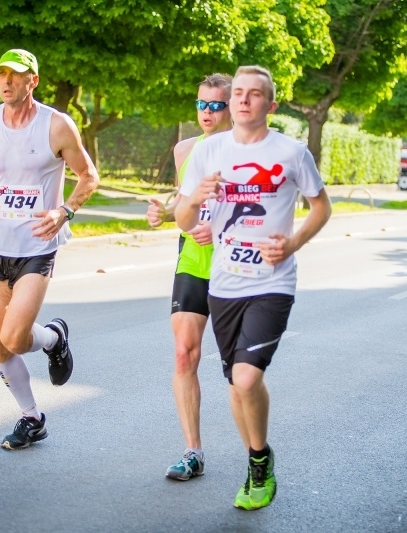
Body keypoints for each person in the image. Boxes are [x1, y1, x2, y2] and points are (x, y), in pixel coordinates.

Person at [175, 65, 331, 510]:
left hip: (272, 282)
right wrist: (194, 200)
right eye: (238, 92)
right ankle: (255, 461)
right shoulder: (208, 152)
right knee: (235, 383)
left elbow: (321, 207)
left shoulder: (292, 152)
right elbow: (183, 219)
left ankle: (260, 460)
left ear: (271, 104)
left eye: (254, 94)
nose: (243, 99)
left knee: (246, 377)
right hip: (223, 284)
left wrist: (293, 243)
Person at [0, 49, 99, 449]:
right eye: (2, 74)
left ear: (33, 81)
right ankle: (32, 417)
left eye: (16, 75)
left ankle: (52, 339)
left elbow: (88, 176)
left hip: (37, 245)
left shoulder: (57, 125)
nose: (7, 81)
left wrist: (65, 210)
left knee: (15, 338)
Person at [146, 74, 233, 481]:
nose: (207, 112)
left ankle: (256, 453)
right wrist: (163, 213)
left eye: (216, 105)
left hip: (235, 267)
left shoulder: (249, 151)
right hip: (193, 262)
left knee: (240, 370)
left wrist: (220, 228)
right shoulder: (185, 150)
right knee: (184, 354)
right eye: (201, 104)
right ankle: (192, 451)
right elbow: (184, 208)